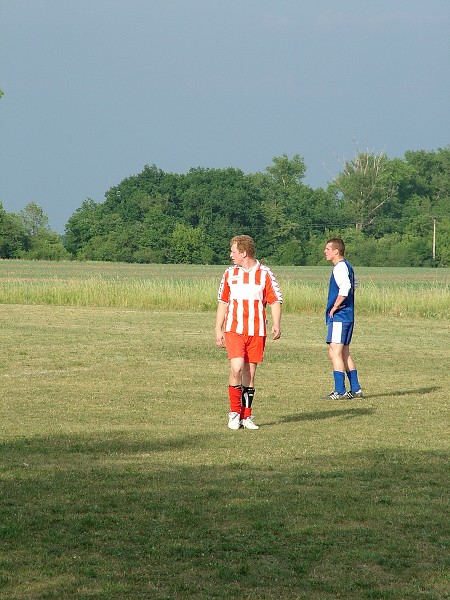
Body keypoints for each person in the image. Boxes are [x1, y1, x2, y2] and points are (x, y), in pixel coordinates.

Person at [215, 235, 283, 430]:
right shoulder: (229, 273)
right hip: (234, 329)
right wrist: (217, 329)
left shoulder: (265, 273)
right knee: (236, 368)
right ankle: (234, 413)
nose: (231, 255)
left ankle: (247, 416)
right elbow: (223, 302)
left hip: (256, 330)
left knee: (249, 374)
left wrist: (276, 323)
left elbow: (275, 300)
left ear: (244, 253)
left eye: (234, 251)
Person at [323, 237, 363, 400]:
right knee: (344, 353)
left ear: (336, 251)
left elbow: (346, 288)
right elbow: (355, 284)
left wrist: (335, 306)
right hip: (348, 315)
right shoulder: (348, 266)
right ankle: (356, 390)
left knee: (335, 352)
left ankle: (339, 391)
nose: (325, 252)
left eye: (327, 249)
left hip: (340, 316)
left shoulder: (339, 267)